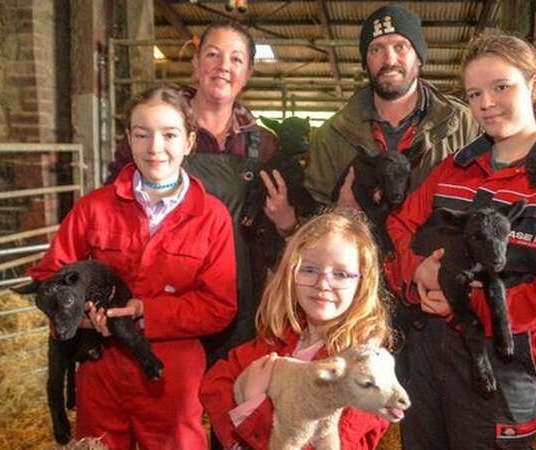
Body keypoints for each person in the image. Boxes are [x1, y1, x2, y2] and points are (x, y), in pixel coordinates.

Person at [384, 34, 536, 449]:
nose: (485, 103)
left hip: (504, 360)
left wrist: (474, 304)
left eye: (501, 86)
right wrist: (417, 271)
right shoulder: (454, 168)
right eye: (474, 93)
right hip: (428, 352)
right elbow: (398, 226)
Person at [30, 85, 237, 450]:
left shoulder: (212, 216)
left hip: (172, 368)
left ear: (189, 141)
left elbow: (218, 306)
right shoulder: (94, 208)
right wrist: (76, 316)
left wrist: (144, 312)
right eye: (142, 134)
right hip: (100, 365)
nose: (155, 148)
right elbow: (49, 276)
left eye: (170, 134)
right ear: (129, 139)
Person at [107, 20, 284, 366]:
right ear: (196, 63)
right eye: (213, 55)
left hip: (236, 297)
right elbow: (114, 202)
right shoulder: (157, 129)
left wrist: (284, 221)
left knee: (231, 410)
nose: (223, 68)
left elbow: (272, 228)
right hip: (163, 298)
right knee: (168, 407)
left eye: (235, 60)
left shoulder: (261, 144)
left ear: (246, 73)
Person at [270, 4, 479, 236]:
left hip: (436, 266)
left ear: (419, 57)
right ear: (365, 61)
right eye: (376, 49)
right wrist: (338, 216)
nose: (389, 59)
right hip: (357, 267)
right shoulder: (331, 134)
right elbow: (308, 215)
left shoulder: (465, 124)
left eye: (400, 46)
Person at [199, 211, 393, 449]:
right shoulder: (284, 337)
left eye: (341, 274)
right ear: (291, 273)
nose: (322, 284)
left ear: (362, 283)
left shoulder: (363, 372)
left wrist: (252, 406)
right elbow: (215, 382)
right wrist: (237, 441)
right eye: (309, 270)